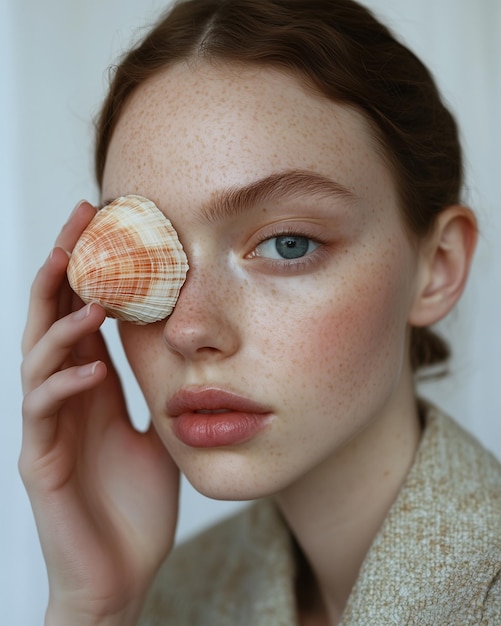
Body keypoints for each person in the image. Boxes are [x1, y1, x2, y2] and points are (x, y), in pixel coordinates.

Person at [20, 0, 501, 624]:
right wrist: (98, 608)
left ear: (436, 268)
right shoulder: (174, 595)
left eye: (287, 244)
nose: (189, 330)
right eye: (150, 252)